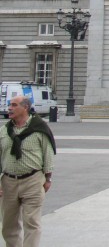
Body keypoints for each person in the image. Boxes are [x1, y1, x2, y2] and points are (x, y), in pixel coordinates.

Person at [0, 95, 56, 247]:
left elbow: (48, 154)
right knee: (8, 225)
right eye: (9, 105)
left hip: (33, 180)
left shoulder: (39, 128)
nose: (9, 108)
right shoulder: (4, 131)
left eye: (14, 105)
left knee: (32, 222)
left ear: (25, 108)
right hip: (8, 182)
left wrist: (48, 178)